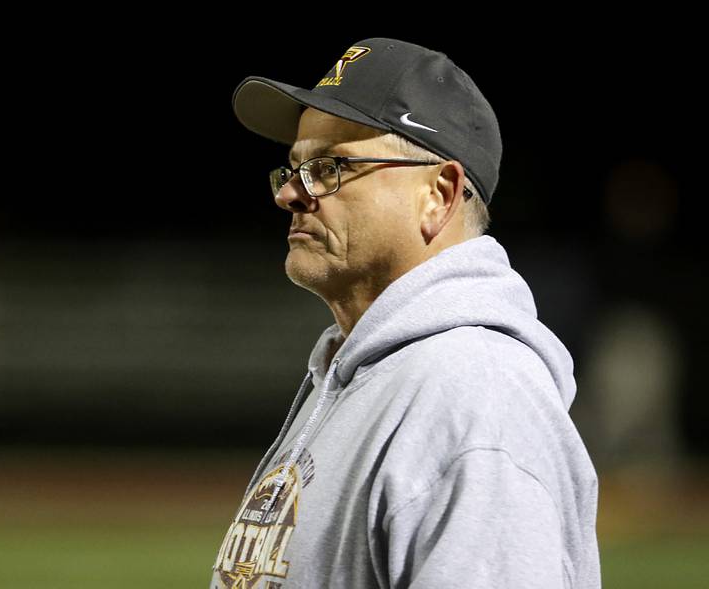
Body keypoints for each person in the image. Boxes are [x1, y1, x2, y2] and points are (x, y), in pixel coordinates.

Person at [211, 37, 601, 588]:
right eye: (294, 169)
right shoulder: (366, 375)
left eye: (330, 167)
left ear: (438, 194)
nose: (290, 195)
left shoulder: (474, 394)